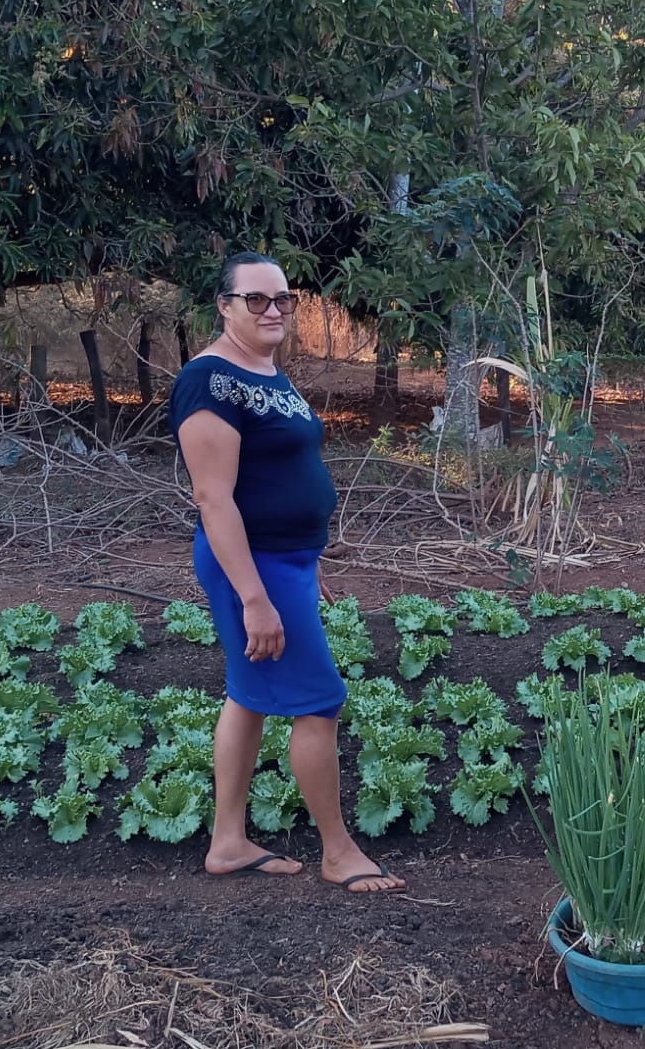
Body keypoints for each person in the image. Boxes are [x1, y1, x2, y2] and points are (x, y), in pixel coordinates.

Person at [169, 252, 405, 893]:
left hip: (285, 564)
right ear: (223, 306)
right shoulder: (210, 381)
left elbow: (279, 475)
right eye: (256, 300)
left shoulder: (265, 371)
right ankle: (337, 851)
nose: (273, 310)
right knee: (320, 702)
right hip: (254, 567)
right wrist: (256, 596)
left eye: (282, 299)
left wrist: (307, 565)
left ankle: (227, 843)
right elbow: (214, 500)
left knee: (248, 697)